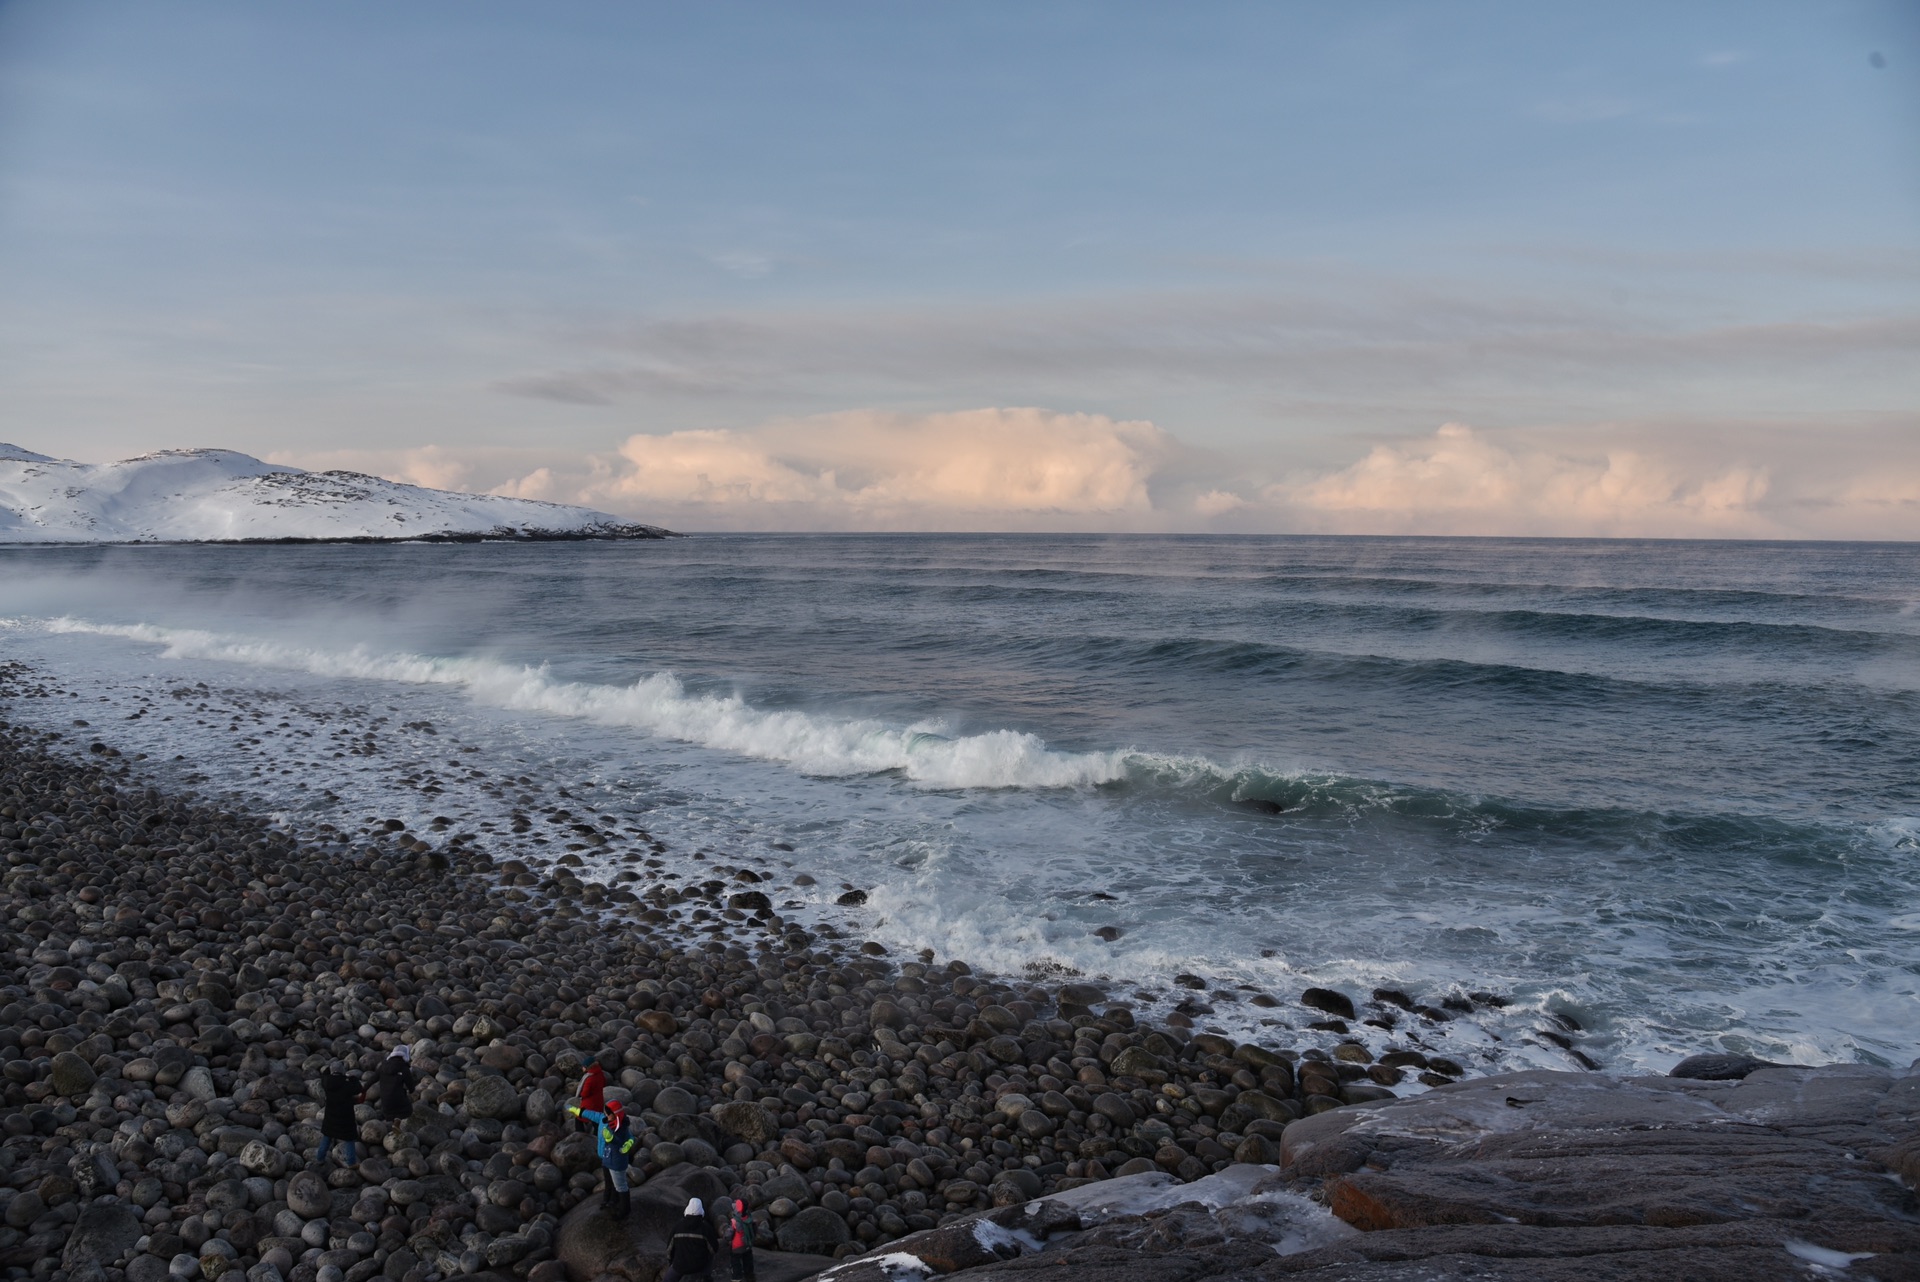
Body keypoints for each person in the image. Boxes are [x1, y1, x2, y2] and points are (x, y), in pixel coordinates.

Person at [565, 1097, 640, 1217]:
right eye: (605, 1112)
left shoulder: (621, 1127)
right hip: (605, 1157)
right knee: (608, 1181)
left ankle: (620, 1206)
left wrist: (626, 1144)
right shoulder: (602, 1119)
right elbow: (591, 1114)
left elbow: (627, 1138)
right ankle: (608, 1200)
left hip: (615, 1159)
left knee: (618, 1184)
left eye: (608, 1112)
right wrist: (577, 1111)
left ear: (615, 1114)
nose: (605, 1114)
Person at [316, 1061, 361, 1167]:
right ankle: (351, 1163)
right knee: (349, 1138)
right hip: (346, 1116)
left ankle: (319, 1159)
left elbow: (324, 1074)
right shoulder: (347, 1083)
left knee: (327, 1136)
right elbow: (358, 1089)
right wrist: (353, 1078)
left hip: (330, 1116)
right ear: (342, 1071)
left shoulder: (327, 1081)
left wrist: (329, 1068)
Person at [663, 1198, 719, 1282]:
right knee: (709, 1259)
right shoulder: (706, 1228)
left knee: (667, 1280)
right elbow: (714, 1248)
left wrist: (671, 1262)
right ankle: (706, 1277)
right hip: (700, 1266)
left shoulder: (677, 1227)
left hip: (679, 1266)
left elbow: (669, 1249)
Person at [373, 1045, 416, 1128]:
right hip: (398, 1098)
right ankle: (397, 1123)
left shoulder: (383, 1066)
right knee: (407, 1110)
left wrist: (363, 1089)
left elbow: (373, 1079)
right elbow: (410, 1085)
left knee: (390, 1113)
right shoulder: (404, 1068)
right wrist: (411, 1091)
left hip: (384, 1099)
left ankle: (391, 1129)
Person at [575, 1055, 608, 1135]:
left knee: (579, 1118)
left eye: (583, 1067)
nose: (582, 1068)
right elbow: (604, 1083)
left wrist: (581, 1094)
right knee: (596, 1119)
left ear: (588, 1067)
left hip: (589, 1104)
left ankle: (580, 1135)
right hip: (598, 1101)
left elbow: (585, 1093)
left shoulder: (589, 1078)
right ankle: (597, 1135)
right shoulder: (600, 1073)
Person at [725, 1198, 756, 1282]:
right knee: (748, 1259)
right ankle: (749, 1274)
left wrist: (726, 1238)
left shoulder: (735, 1221)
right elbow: (754, 1230)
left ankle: (737, 1277)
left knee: (735, 1262)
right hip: (747, 1244)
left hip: (737, 1246)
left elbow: (729, 1233)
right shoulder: (749, 1218)